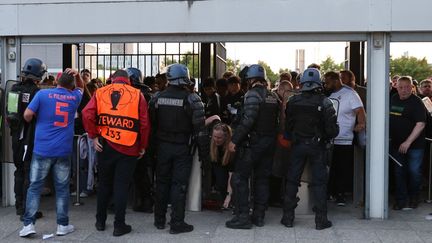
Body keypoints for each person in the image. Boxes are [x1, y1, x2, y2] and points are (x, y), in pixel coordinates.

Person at [82, 69, 150, 236]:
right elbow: (144, 123)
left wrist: (94, 135)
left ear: (112, 79)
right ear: (129, 81)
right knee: (121, 186)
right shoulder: (137, 94)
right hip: (129, 146)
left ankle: (100, 222)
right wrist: (143, 145)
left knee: (104, 185)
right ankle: (119, 225)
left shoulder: (100, 92)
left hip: (105, 145)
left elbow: (86, 113)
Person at [19, 68, 84, 237]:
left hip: (42, 149)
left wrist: (37, 118)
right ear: (71, 86)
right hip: (63, 150)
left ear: (56, 82)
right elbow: (81, 88)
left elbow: (27, 115)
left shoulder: (42, 95)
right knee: (62, 189)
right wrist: (77, 75)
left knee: (34, 187)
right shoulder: (74, 97)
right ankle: (62, 225)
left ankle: (28, 225)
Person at [149, 63, 209, 234]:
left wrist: (152, 149)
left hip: (162, 147)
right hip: (183, 148)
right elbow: (201, 131)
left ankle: (159, 220)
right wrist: (205, 157)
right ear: (185, 78)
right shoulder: (192, 99)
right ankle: (177, 223)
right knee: (179, 185)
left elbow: (152, 126)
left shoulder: (156, 97)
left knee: (161, 183)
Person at [281, 68, 339, 230]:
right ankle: (321, 220)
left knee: (292, 181)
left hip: (297, 145)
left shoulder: (293, 101)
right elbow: (332, 130)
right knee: (319, 183)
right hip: (317, 147)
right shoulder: (325, 102)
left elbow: (288, 126)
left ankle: (288, 218)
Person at [225, 64, 279, 229]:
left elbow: (248, 120)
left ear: (250, 79)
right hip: (269, 143)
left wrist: (234, 140)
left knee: (240, 179)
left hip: (253, 144)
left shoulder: (252, 95)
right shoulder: (273, 96)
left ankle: (242, 218)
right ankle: (259, 217)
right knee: (262, 179)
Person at [6, 58, 45, 222]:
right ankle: (28, 210)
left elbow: (11, 114)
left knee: (19, 170)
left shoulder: (14, 88)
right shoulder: (37, 92)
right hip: (30, 137)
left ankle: (19, 206)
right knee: (30, 172)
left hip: (16, 137)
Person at [323, 71, 366, 206]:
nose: (326, 84)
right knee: (331, 168)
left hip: (344, 137)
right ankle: (330, 192)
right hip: (329, 138)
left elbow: (360, 110)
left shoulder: (350, 94)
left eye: (328, 82)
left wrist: (361, 124)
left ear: (336, 81)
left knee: (342, 168)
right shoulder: (328, 95)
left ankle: (341, 195)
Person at [390, 76, 426, 210]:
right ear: (396, 87)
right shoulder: (393, 98)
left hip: (415, 146)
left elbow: (421, 124)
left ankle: (414, 198)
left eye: (407, 87)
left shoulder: (416, 102)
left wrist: (408, 142)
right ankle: (400, 200)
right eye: (400, 87)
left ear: (412, 88)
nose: (403, 90)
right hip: (397, 144)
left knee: (414, 172)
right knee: (399, 172)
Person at [125, 67, 154, 213]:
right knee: (141, 173)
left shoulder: (129, 95)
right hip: (143, 138)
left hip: (129, 137)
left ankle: (139, 201)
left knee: (125, 172)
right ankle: (145, 200)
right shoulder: (148, 95)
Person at [209, 123, 234, 209]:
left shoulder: (231, 149)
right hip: (219, 166)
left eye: (219, 137)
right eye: (214, 137)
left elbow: (232, 173)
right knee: (219, 177)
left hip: (230, 168)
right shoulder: (212, 145)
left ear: (226, 137)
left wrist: (228, 195)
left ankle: (229, 199)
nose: (216, 139)